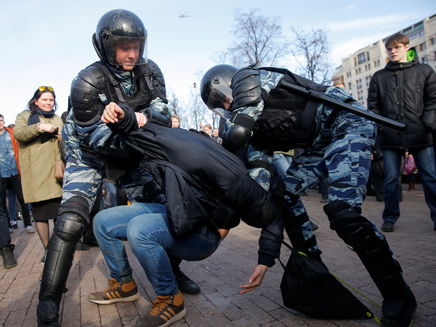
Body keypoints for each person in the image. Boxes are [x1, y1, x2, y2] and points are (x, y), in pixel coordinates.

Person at [200, 64, 416, 327]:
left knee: (342, 213)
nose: (225, 106)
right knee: (283, 194)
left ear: (227, 84)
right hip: (320, 142)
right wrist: (262, 253)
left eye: (222, 98)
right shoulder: (255, 133)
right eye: (219, 106)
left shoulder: (251, 78)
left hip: (348, 122)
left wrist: (230, 143)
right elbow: (259, 189)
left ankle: (398, 293)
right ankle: (312, 266)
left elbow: (242, 120)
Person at [36, 9, 198, 327]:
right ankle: (48, 300)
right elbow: (97, 139)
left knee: (169, 209)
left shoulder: (150, 72)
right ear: (107, 47)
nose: (133, 53)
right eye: (125, 47)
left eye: (137, 45)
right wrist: (132, 123)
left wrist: (133, 119)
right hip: (89, 156)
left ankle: (173, 274)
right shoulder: (86, 82)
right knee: (70, 222)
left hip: (131, 156)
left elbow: (163, 114)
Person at [88, 103, 283, 327]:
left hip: (205, 233)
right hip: (181, 212)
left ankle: (170, 299)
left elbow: (274, 215)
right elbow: (139, 129)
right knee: (103, 221)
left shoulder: (230, 177)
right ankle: (124, 285)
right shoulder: (175, 139)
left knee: (140, 230)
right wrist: (123, 115)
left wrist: (265, 260)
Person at [368, 33, 436, 233]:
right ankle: (389, 217)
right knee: (390, 178)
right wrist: (382, 127)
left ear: (407, 47)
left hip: (421, 133)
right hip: (390, 136)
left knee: (430, 176)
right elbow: (373, 106)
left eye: (396, 47)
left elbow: (433, 100)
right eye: (389, 49)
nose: (392, 51)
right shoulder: (379, 77)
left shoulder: (424, 71)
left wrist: (427, 125)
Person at [14, 87, 64, 263]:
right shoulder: (25, 116)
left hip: (56, 173)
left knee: (60, 214)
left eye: (51, 100)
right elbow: (19, 133)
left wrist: (61, 137)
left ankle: (58, 249)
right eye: (44, 100)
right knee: (41, 214)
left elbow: (66, 138)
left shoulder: (57, 118)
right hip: (36, 174)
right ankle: (47, 249)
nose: (48, 103)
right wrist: (39, 127)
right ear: (36, 101)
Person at [0, 115, 35, 233]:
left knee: (22, 198)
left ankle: (28, 223)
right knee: (2, 200)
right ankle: (8, 225)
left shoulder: (11, 134)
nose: (0, 123)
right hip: (2, 173)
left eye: (1, 120)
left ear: (4, 121)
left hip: (15, 171)